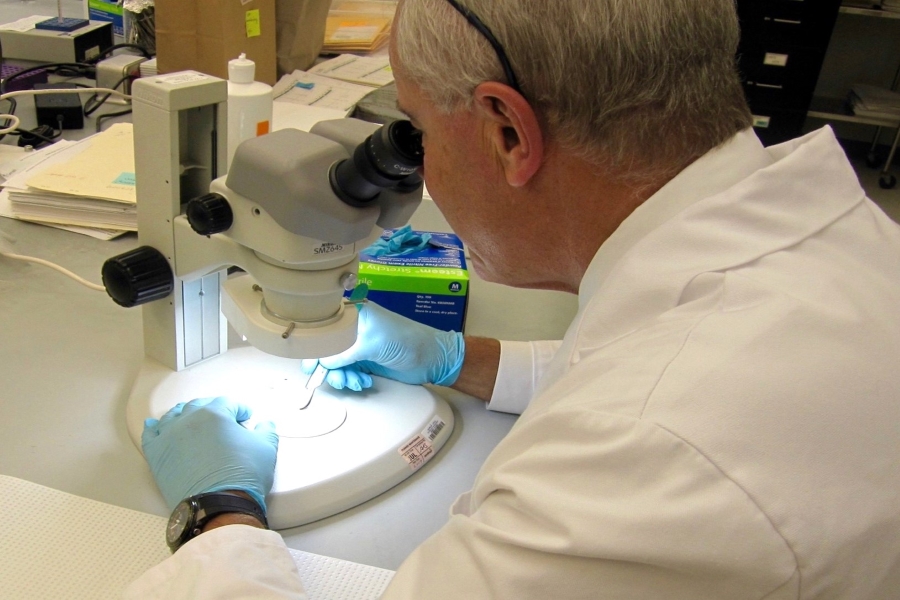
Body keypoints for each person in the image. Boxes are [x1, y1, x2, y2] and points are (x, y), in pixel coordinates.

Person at [127, 0, 900, 597]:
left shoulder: (642, 456)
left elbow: (648, 420)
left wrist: (219, 514)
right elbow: (639, 362)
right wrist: (463, 360)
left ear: (507, 133)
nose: (418, 167)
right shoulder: (836, 242)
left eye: (419, 133)